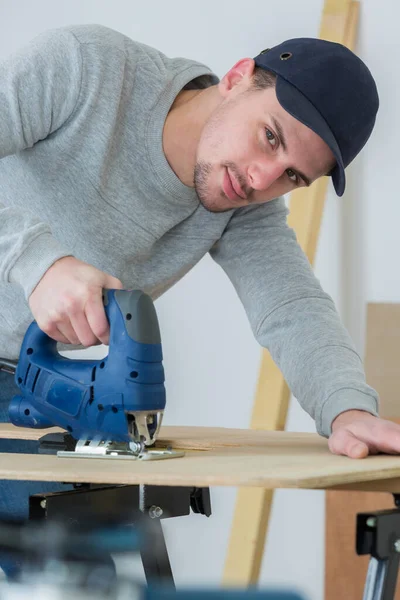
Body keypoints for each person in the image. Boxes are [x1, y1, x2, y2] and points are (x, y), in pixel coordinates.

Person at [0, 23, 398, 532]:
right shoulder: (87, 68)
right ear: (237, 77)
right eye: (269, 137)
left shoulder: (242, 206)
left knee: (75, 568)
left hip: (21, 388)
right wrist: (39, 263)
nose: (262, 179)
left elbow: (292, 307)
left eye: (293, 177)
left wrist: (348, 411)